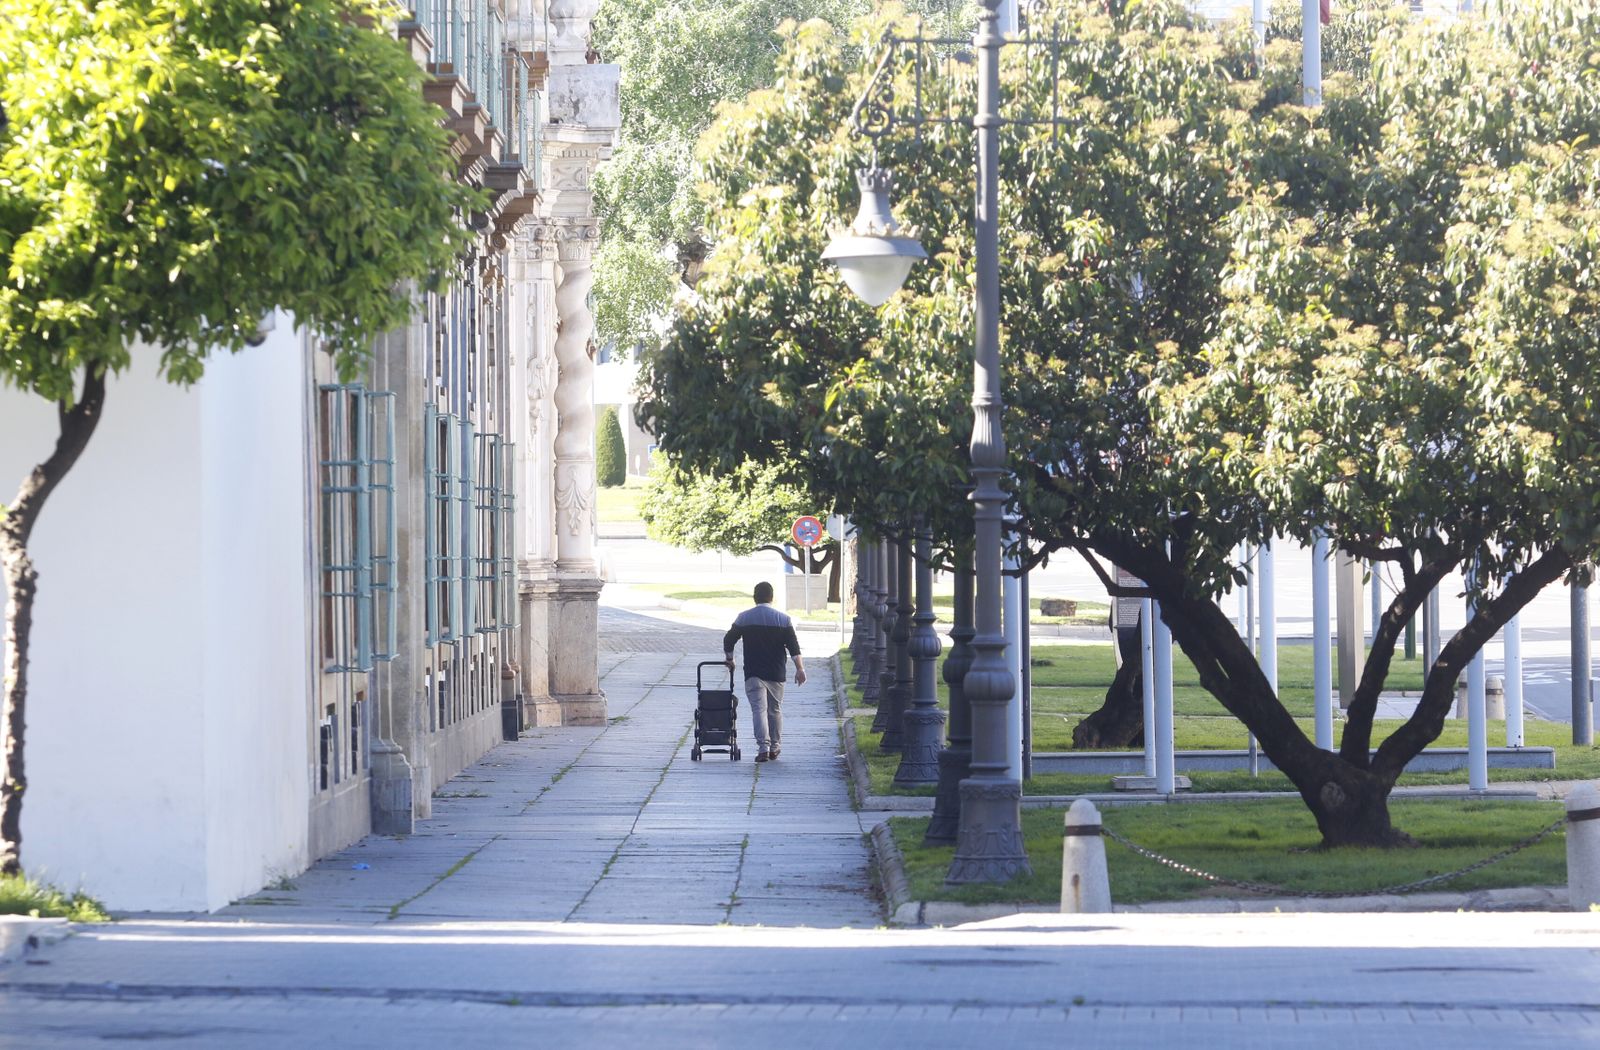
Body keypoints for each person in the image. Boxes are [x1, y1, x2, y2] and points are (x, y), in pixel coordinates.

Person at [723, 581, 806, 763]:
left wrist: (730, 659)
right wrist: (800, 669)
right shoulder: (783, 619)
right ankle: (775, 747)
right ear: (772, 597)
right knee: (774, 710)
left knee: (758, 710)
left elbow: (728, 640)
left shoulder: (743, 618)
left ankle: (763, 748)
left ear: (754, 598)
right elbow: (794, 647)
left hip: (753, 672)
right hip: (776, 672)